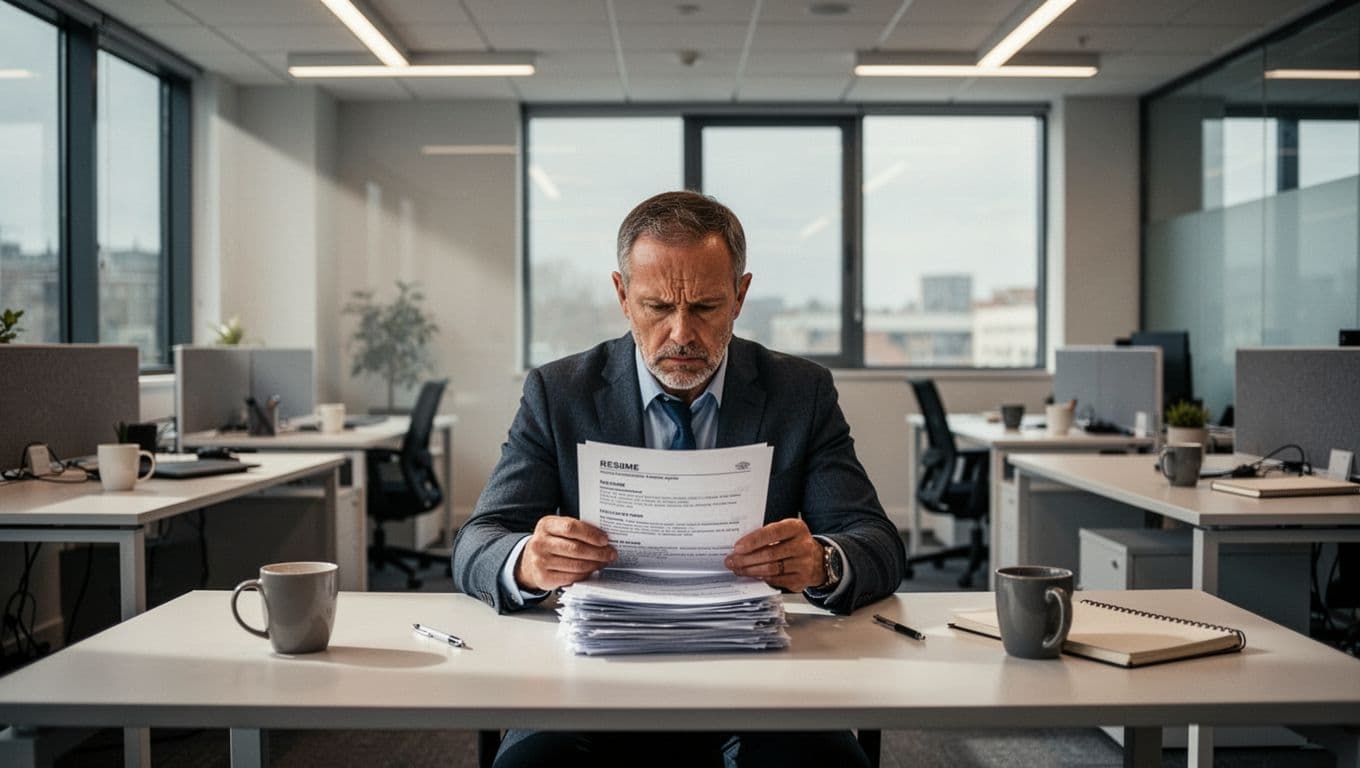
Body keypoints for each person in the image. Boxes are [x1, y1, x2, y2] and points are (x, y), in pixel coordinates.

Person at [453, 190, 906, 768]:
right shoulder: (558, 393)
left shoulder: (800, 393)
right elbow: (477, 540)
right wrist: (528, 560)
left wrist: (822, 560)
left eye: (707, 307)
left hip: (761, 679)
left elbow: (877, 541)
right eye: (658, 307)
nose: (682, 334)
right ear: (622, 295)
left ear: (741, 295)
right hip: (595, 679)